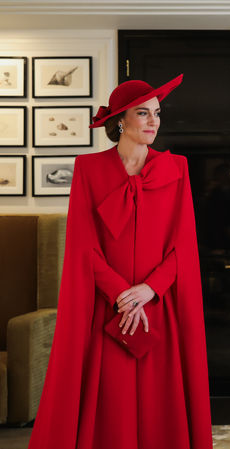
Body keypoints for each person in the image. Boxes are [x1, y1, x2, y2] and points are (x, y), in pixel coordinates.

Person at [29, 75, 213, 449]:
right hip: (107, 309)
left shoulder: (176, 168)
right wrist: (121, 295)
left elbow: (184, 246)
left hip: (157, 308)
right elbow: (83, 247)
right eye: (142, 113)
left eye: (157, 113)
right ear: (120, 122)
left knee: (160, 406)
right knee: (110, 406)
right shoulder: (88, 169)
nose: (153, 122)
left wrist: (147, 291)